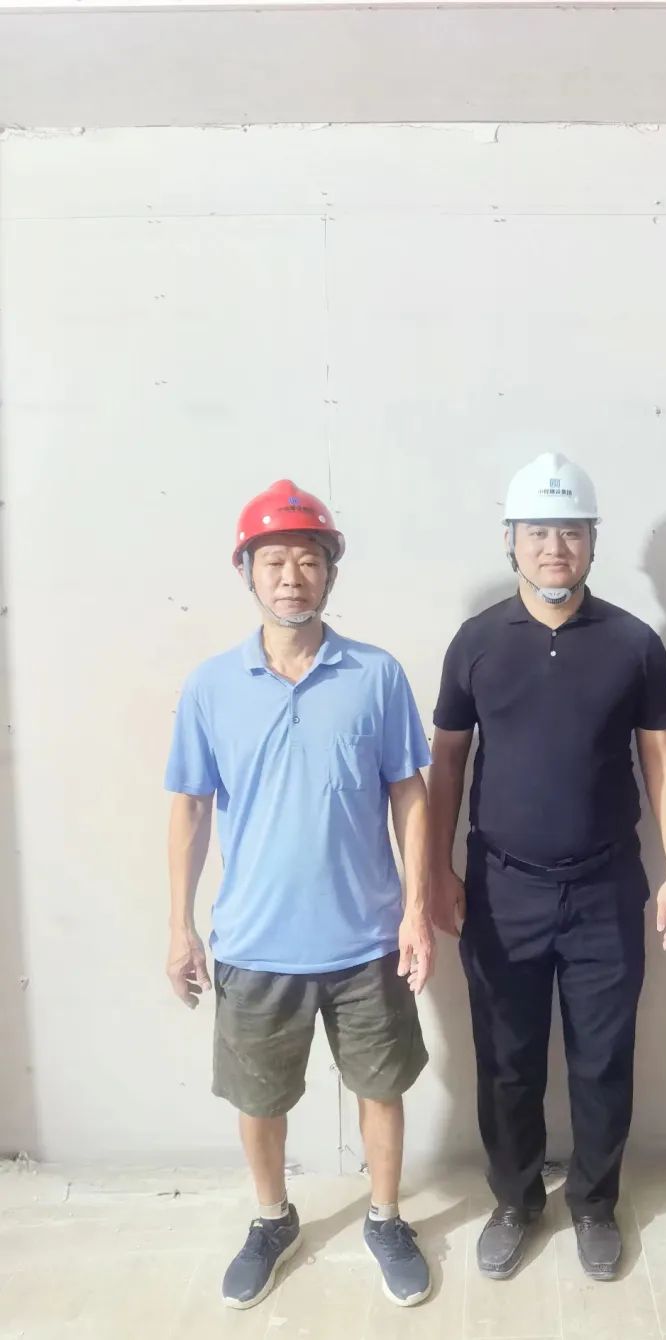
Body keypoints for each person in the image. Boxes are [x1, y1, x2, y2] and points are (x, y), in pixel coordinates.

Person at [165, 479, 435, 1310]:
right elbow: (190, 807)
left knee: (381, 1088)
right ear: (246, 570)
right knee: (259, 1099)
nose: (292, 577)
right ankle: (272, 1217)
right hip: (255, 941)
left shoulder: (376, 675)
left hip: (366, 940)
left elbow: (409, 793)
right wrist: (179, 927)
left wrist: (416, 910)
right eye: (274, 560)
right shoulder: (212, 686)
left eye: (308, 560)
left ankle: (385, 1218)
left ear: (331, 573)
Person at [428, 452, 666, 1282]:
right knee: (507, 1059)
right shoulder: (476, 643)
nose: (555, 548)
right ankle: (514, 1201)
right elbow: (447, 764)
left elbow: (663, 761)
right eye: (539, 531)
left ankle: (593, 1204)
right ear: (511, 539)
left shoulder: (633, 643)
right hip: (501, 886)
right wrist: (437, 869)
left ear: (592, 542)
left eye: (571, 532)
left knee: (602, 1058)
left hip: (606, 887)